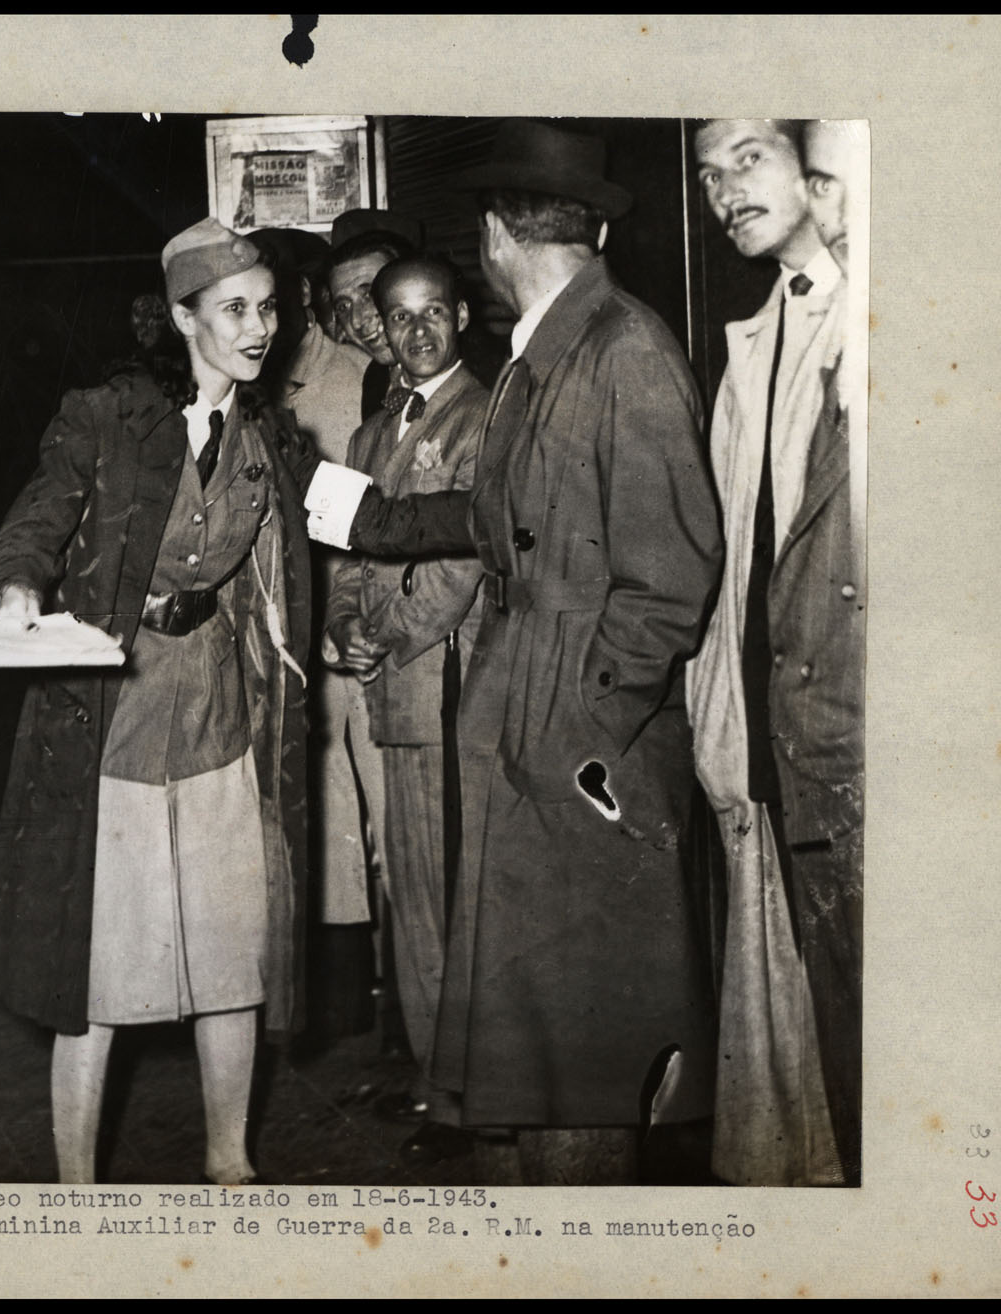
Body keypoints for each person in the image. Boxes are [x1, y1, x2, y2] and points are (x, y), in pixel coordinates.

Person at [307, 120, 725, 1183]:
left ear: (494, 234)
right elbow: (501, 516)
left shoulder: (620, 350)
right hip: (527, 723)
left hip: (577, 754)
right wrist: (374, 523)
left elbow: (670, 581)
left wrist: (578, 736)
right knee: (528, 1055)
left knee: (577, 1058)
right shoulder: (551, 352)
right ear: (591, 228)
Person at [0, 219, 313, 1186]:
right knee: (97, 965)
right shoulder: (107, 414)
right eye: (234, 310)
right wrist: (16, 587)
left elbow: (348, 519)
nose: (259, 328)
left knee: (231, 951)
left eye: (267, 308)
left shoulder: (271, 435)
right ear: (180, 318)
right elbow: (35, 519)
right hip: (113, 720)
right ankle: (76, 1186)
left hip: (218, 714)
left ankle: (229, 1162)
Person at [687, 119, 863, 1185]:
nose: (721, 191)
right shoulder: (751, 339)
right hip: (762, 718)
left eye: (745, 157)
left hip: (844, 729)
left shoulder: (871, 322)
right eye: (707, 174)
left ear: (819, 166)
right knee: (796, 1006)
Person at [321, 255, 488, 1159]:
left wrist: (385, 637)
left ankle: (464, 1100)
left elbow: (461, 564)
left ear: (460, 315)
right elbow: (346, 552)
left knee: (448, 896)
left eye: (432, 313)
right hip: (388, 690)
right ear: (378, 328)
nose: (416, 331)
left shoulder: (484, 416)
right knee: (411, 897)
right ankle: (435, 1082)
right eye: (398, 317)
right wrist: (343, 625)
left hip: (443, 688)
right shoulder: (367, 434)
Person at [253, 225, 386, 1033]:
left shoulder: (358, 377)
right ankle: (345, 992)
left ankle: (393, 1000)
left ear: (299, 298)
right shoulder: (246, 391)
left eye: (269, 301)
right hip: (289, 645)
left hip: (355, 627)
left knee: (382, 823)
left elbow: (365, 513)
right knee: (325, 819)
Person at [324, 226, 418, 420]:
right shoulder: (376, 378)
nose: (357, 320)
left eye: (370, 294)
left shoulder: (472, 375)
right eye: (343, 306)